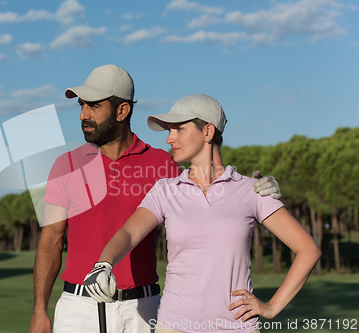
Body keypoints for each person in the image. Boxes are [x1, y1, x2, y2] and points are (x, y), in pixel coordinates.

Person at [29, 66, 281, 333]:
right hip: (78, 309)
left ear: (122, 111)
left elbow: (211, 195)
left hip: (143, 308)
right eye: (81, 106)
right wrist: (39, 310)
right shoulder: (65, 165)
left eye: (93, 106)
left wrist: (255, 188)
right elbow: (51, 240)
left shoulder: (162, 164)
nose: (83, 115)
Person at [83, 94, 321, 333]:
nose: (169, 138)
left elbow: (308, 250)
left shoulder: (251, 190)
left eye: (178, 129)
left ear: (208, 131)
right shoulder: (165, 191)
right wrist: (104, 264)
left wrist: (272, 306)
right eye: (168, 131)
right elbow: (128, 233)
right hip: (174, 327)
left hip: (237, 328)